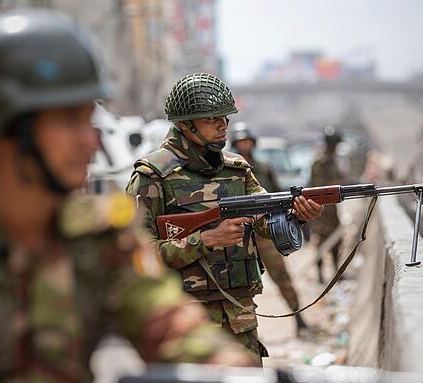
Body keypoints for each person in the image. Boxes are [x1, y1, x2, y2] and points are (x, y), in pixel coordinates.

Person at [0, 10, 318, 383]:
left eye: (90, 120)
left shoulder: (96, 234)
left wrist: (235, 376)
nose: (90, 142)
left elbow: (164, 317)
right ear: (11, 133)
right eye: (69, 122)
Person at [126, 73, 323, 363]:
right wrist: (203, 240)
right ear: (185, 124)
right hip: (180, 321)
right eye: (211, 119)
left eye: (225, 118)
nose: (223, 126)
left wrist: (296, 216)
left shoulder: (237, 169)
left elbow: (264, 221)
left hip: (238, 318)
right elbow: (136, 258)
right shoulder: (152, 176)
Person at [229, 122, 310, 335]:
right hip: (237, 234)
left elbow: (277, 195)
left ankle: (298, 317)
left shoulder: (263, 169)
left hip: (263, 231)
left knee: (281, 276)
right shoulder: (229, 172)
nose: (244, 146)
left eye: (247, 142)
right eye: (241, 143)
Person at [309, 127, 345, 284]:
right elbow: (317, 186)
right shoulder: (320, 162)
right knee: (322, 242)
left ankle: (337, 271)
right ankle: (320, 275)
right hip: (321, 209)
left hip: (332, 208)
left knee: (337, 240)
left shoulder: (332, 160)